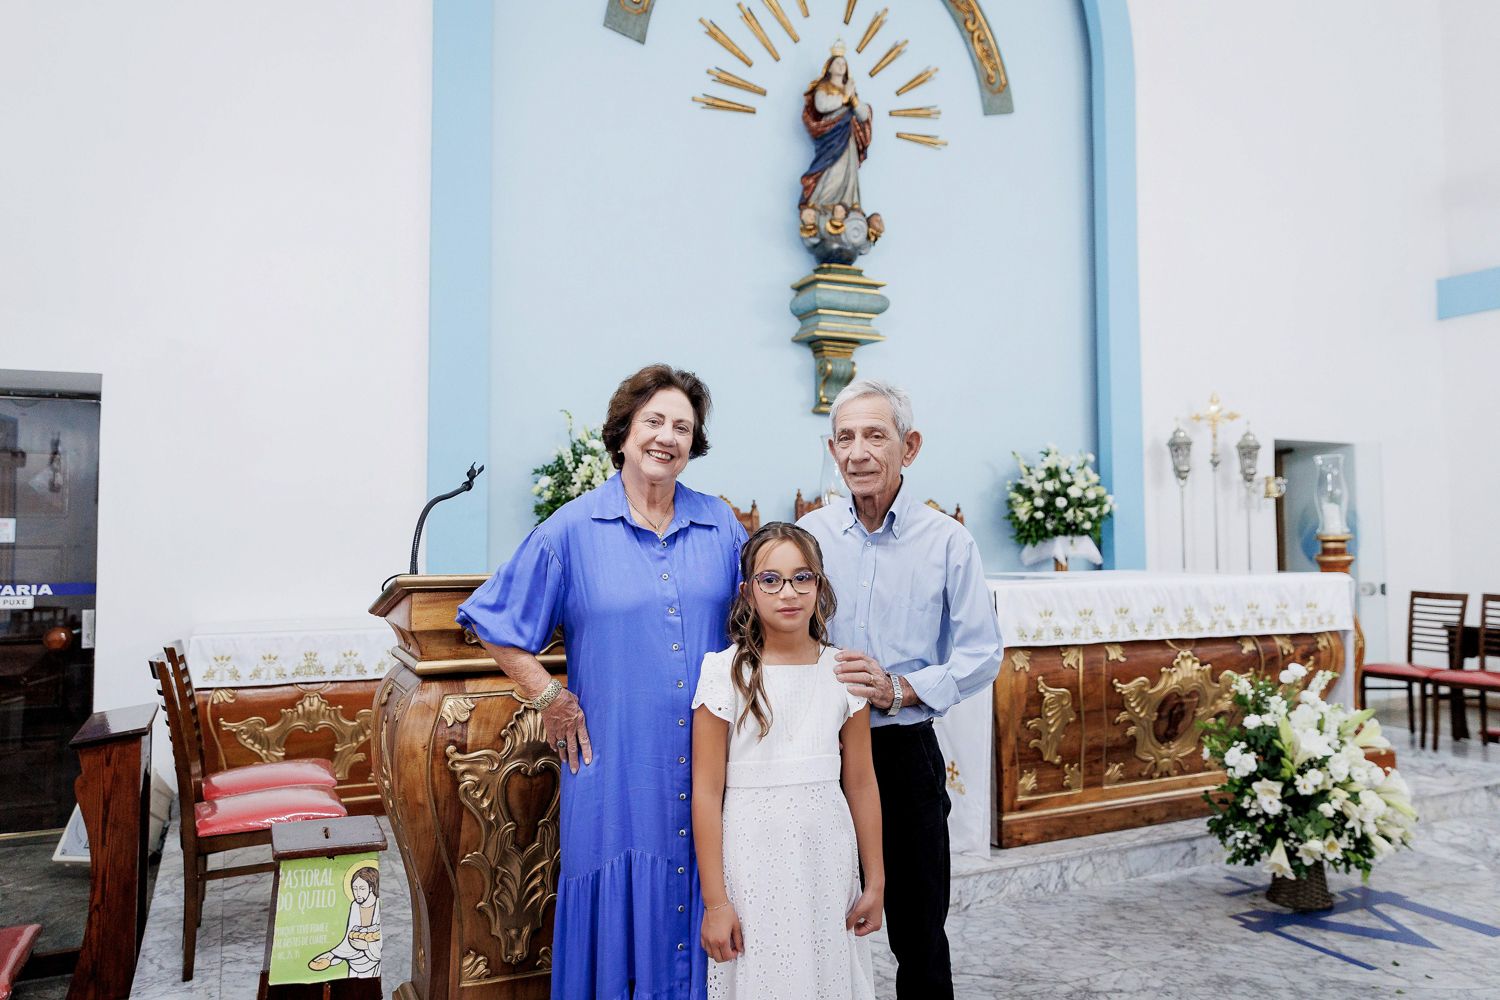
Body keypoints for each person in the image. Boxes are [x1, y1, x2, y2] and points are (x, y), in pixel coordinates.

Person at [457, 364, 747, 1000]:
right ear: (623, 433)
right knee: (619, 887)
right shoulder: (571, 528)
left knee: (709, 887)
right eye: (653, 422)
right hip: (615, 764)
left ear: (693, 444)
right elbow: (491, 621)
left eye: (682, 426)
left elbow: (757, 621)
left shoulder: (722, 524)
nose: (666, 436)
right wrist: (548, 695)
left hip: (712, 761)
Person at [798, 379, 1003, 1000]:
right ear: (831, 450)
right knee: (816, 925)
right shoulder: (809, 534)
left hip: (902, 752)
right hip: (818, 756)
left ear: (909, 447)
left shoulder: (947, 541)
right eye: (845, 438)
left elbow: (982, 652)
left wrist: (903, 688)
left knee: (918, 934)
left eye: (875, 435)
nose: (858, 452)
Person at [691, 523, 883, 1000]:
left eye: (803, 578)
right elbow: (706, 791)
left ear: (820, 585)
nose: (789, 592)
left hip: (828, 858)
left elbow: (861, 783)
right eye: (770, 580)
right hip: (753, 860)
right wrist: (716, 903)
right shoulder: (724, 673)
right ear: (747, 592)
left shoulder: (843, 672)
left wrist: (875, 880)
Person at [799, 43, 873, 224]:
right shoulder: (824, 87)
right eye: (837, 62)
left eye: (844, 63)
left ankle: (845, 207)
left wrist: (853, 100)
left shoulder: (850, 89)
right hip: (830, 137)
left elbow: (863, 115)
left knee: (847, 171)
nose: (842, 65)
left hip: (847, 139)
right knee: (831, 170)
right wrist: (845, 98)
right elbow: (821, 106)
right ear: (829, 66)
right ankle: (822, 204)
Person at [308, 866, 381, 979]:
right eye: (354, 888)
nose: (357, 893)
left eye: (361, 888)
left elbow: (382, 940)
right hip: (355, 963)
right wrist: (331, 955)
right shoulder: (355, 906)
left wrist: (367, 946)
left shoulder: (379, 905)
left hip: (373, 963)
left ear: (371, 888)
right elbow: (349, 939)